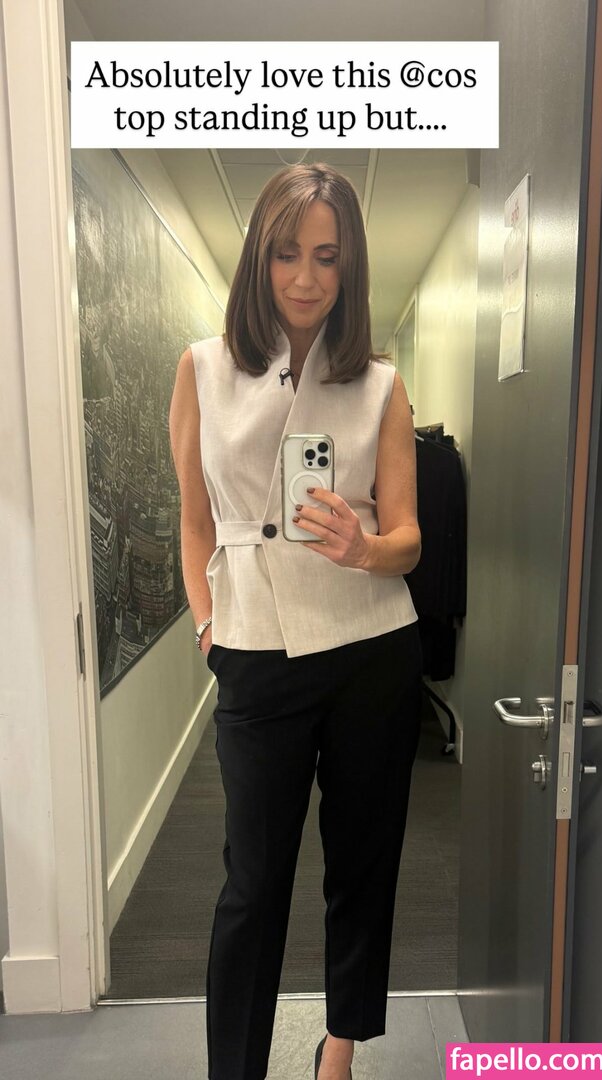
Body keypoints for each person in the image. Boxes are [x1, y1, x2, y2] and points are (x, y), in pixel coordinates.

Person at [169, 162, 423, 1080]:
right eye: (286, 254)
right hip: (254, 651)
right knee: (253, 882)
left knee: (362, 863)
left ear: (350, 267)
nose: (306, 277)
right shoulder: (203, 368)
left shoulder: (381, 385)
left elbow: (409, 541)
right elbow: (194, 520)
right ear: (259, 258)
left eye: (327, 256)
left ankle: (339, 1049)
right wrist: (208, 628)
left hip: (370, 646)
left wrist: (364, 547)